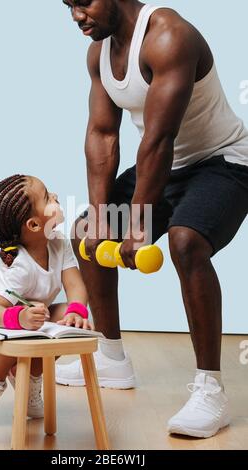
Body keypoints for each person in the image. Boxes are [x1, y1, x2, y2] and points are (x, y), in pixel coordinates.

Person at [57, 0, 248, 438]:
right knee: (85, 231)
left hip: (224, 162)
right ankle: (111, 357)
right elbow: (103, 134)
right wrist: (104, 218)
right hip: (162, 165)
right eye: (67, 6)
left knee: (185, 241)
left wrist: (139, 225)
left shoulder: (169, 35)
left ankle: (210, 390)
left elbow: (160, 138)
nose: (76, 16)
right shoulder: (99, 51)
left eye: (83, 2)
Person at [0, 174, 91, 428]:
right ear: (33, 225)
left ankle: (30, 379)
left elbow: (74, 284)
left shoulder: (58, 242)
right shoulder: (18, 265)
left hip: (31, 319)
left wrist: (76, 311)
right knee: (17, 331)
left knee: (70, 321)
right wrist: (20, 317)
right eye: (47, 197)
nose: (55, 196)